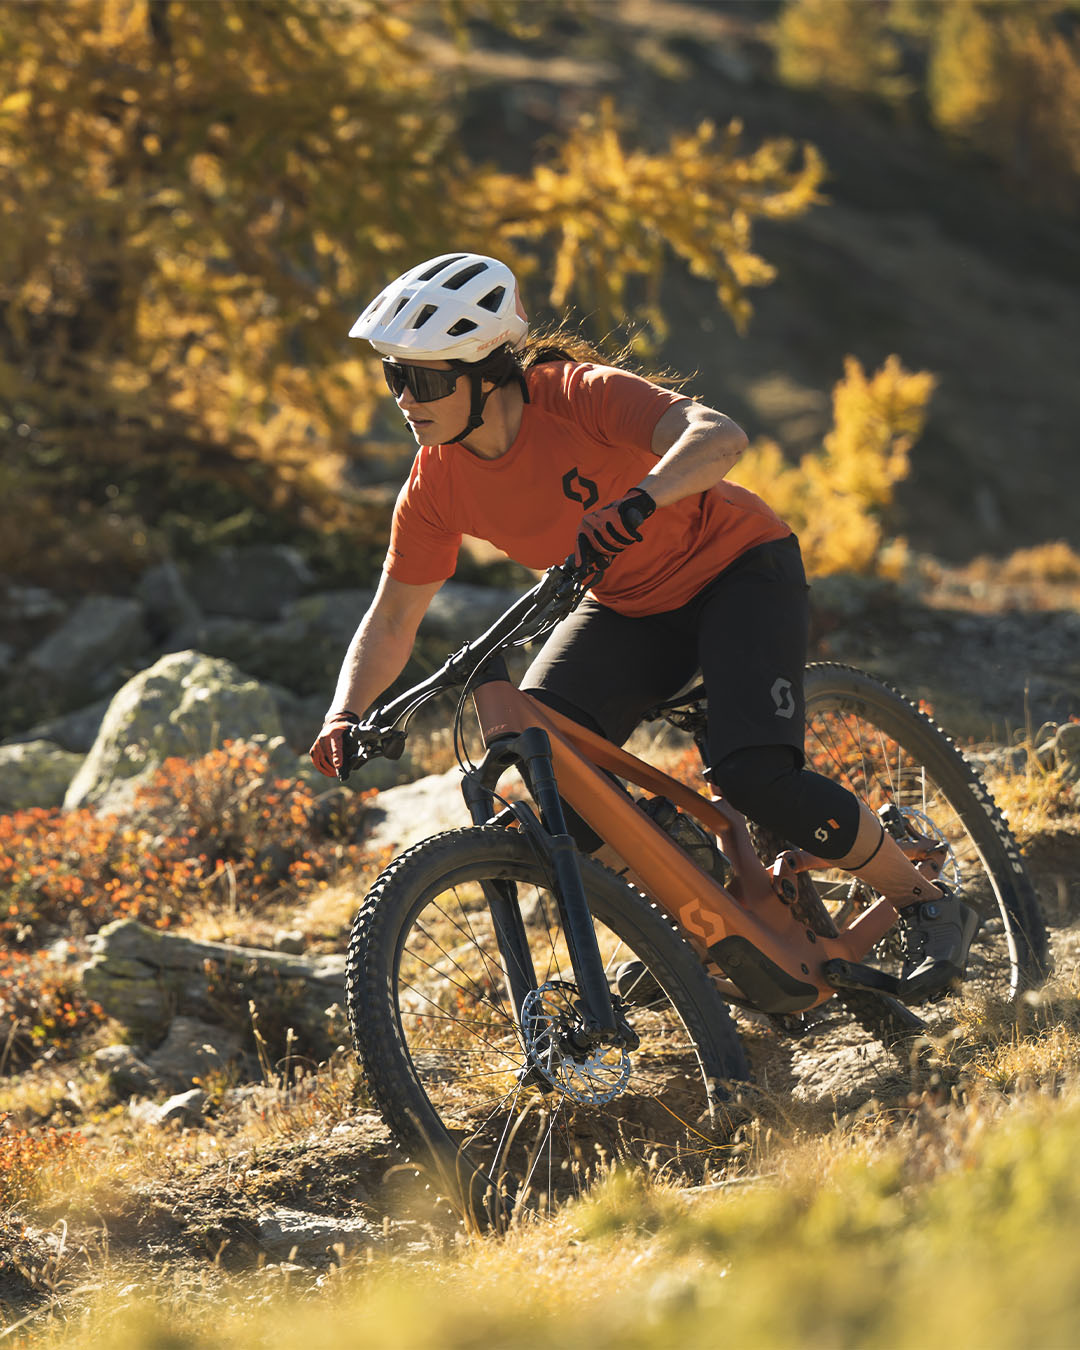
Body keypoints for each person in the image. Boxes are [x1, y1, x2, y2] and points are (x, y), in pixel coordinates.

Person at [310, 252, 975, 1001]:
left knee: (755, 775)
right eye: (394, 376)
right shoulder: (435, 482)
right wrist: (345, 711)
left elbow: (717, 435)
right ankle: (698, 899)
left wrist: (642, 499)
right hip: (628, 605)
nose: (404, 398)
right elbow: (395, 613)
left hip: (738, 569)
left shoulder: (575, 396)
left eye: (424, 379)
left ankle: (927, 897)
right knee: (552, 780)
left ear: (489, 371)